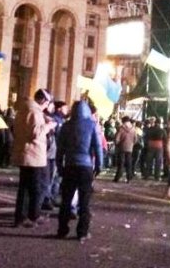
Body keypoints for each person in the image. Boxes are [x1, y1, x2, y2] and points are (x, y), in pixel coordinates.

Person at [56, 98, 102, 242]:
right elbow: (98, 147)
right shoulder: (92, 125)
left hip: (70, 165)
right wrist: (99, 165)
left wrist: (59, 166)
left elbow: (60, 149)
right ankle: (82, 232)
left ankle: (62, 229)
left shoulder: (66, 126)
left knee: (66, 200)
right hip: (86, 166)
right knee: (84, 201)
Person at [12, 89, 56, 228]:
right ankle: (33, 216)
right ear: (44, 101)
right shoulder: (34, 112)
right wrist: (49, 126)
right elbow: (35, 133)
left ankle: (21, 217)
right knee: (37, 187)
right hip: (34, 155)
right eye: (48, 103)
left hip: (25, 153)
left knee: (24, 188)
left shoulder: (25, 109)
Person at [113, 116, 137, 183]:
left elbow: (117, 139)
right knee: (129, 163)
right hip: (130, 148)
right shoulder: (133, 129)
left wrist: (117, 144)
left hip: (121, 148)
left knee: (121, 163)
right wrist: (132, 144)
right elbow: (135, 139)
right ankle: (129, 178)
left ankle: (117, 177)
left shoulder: (121, 128)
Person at [144, 117, 166, 181]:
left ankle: (147, 175)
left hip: (150, 145)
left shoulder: (150, 129)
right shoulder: (162, 130)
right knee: (158, 162)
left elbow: (146, 137)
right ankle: (157, 176)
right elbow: (165, 139)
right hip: (159, 146)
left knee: (149, 161)